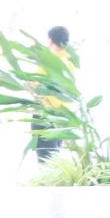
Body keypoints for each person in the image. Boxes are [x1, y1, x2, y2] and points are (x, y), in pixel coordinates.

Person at [32, 25, 72, 162]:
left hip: (45, 112)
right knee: (54, 156)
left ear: (49, 40)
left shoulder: (48, 60)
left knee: (45, 158)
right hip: (63, 114)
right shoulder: (69, 61)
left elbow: (35, 85)